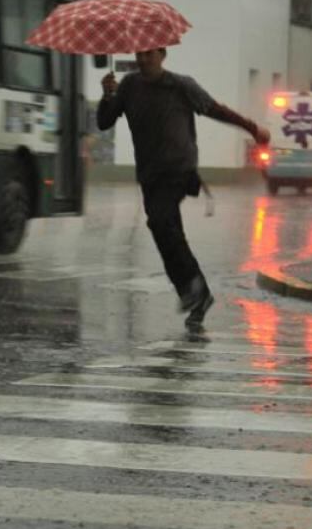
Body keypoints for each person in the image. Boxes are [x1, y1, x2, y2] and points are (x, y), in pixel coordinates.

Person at [97, 47, 271, 328]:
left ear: (162, 55)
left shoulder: (181, 85)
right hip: (150, 173)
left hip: (178, 169)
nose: (143, 60)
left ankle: (194, 290)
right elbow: (104, 122)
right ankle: (196, 295)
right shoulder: (129, 86)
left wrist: (252, 128)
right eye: (140, 55)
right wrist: (107, 95)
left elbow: (215, 109)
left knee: (161, 221)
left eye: (149, 55)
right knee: (164, 231)